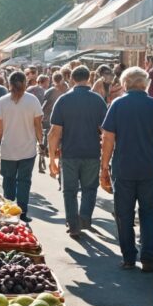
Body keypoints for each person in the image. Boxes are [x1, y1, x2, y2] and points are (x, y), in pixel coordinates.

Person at [100, 67, 153, 271]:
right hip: (150, 168)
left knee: (124, 214)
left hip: (124, 168)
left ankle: (129, 257)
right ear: (145, 83)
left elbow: (108, 138)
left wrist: (104, 166)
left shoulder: (118, 105)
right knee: (150, 213)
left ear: (125, 83)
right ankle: (149, 257)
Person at [47, 66, 108, 237]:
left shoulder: (64, 100)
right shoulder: (98, 101)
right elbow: (105, 130)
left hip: (70, 153)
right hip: (91, 152)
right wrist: (105, 157)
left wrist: (52, 158)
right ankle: (85, 217)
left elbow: (54, 133)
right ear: (89, 78)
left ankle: (73, 224)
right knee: (90, 188)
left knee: (70, 190)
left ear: (72, 79)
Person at [0, 71, 42, 221]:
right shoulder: (33, 100)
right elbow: (38, 126)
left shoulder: (2, 101)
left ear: (8, 84)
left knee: (8, 180)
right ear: (25, 83)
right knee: (24, 181)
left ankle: (9, 211)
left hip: (8, 149)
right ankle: (23, 212)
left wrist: (2, 141)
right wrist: (41, 142)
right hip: (28, 150)